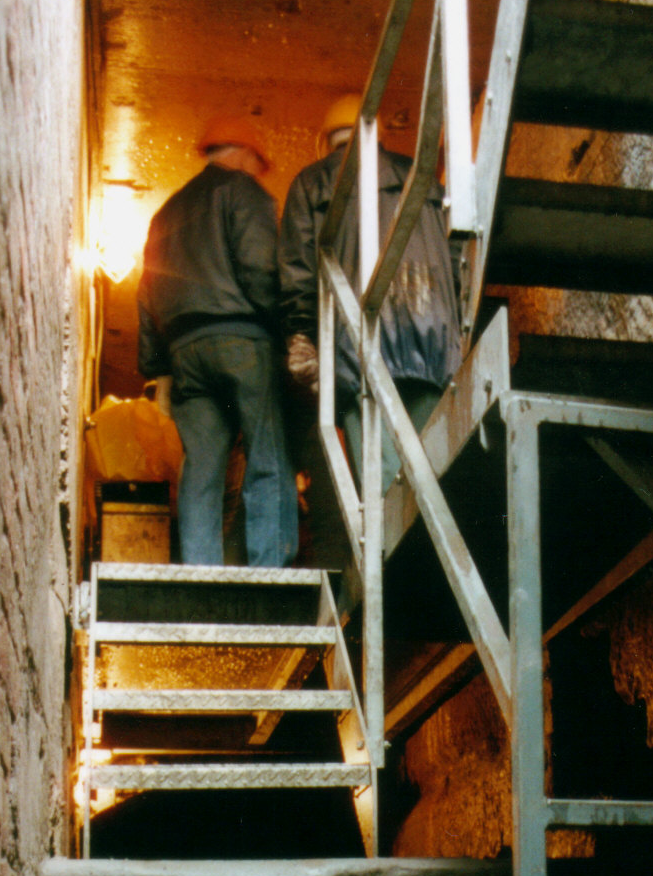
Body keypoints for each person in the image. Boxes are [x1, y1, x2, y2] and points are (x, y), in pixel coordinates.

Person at [278, 94, 461, 494]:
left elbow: (298, 271)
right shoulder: (422, 177)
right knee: (432, 477)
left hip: (360, 345)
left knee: (383, 492)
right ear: (378, 133)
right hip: (433, 341)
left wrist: (302, 336)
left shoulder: (313, 182)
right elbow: (457, 256)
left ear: (327, 140)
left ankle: (390, 556)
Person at [137, 114, 298, 566]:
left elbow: (146, 292)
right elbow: (261, 268)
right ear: (246, 153)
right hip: (243, 341)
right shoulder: (245, 193)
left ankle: (198, 572)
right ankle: (271, 569)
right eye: (259, 161)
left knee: (202, 469)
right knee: (268, 455)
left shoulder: (165, 212)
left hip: (185, 352)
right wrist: (288, 334)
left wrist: (157, 365)